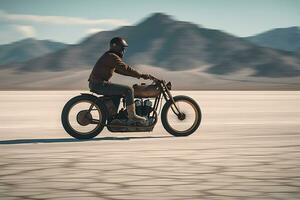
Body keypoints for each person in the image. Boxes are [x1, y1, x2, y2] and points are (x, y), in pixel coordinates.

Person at [88, 37, 151, 123]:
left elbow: (121, 71)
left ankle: (114, 117)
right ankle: (132, 116)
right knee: (128, 90)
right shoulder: (112, 57)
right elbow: (125, 68)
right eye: (122, 48)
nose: (123, 51)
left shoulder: (109, 56)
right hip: (99, 84)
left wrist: (137, 76)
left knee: (118, 93)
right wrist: (141, 75)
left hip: (97, 83)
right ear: (116, 47)